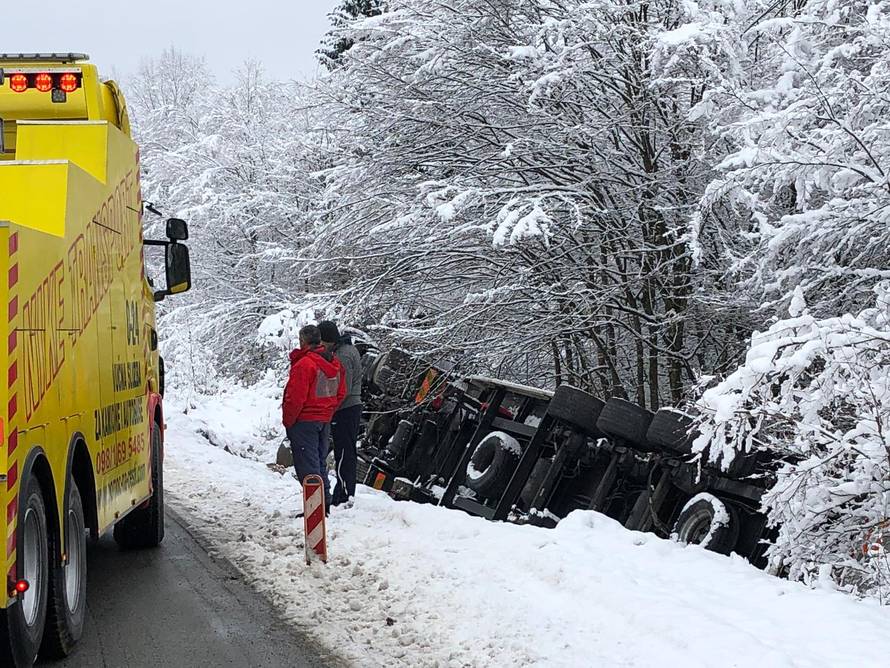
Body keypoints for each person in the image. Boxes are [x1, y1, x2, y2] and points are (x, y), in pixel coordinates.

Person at [282, 324, 345, 514]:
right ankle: (323, 503)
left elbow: (295, 398)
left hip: (304, 421)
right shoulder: (335, 364)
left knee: (307, 466)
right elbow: (341, 393)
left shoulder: (305, 365)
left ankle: (314, 511)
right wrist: (328, 411)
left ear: (303, 341)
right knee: (318, 462)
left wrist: (289, 421)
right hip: (323, 420)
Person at [319, 320, 363, 507]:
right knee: (345, 451)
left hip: (346, 409)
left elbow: (341, 389)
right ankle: (342, 491)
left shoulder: (343, 356)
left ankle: (345, 493)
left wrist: (329, 410)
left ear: (329, 340)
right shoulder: (345, 350)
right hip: (348, 407)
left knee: (344, 453)